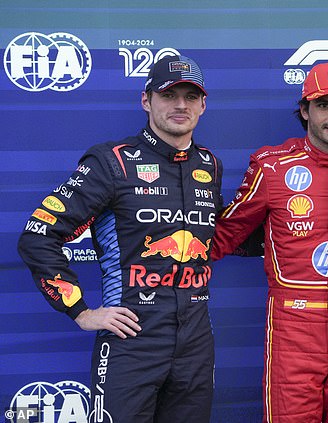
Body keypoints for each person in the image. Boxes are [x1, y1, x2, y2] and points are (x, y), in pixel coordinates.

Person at [17, 55, 222, 423]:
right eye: (169, 95)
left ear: (203, 105)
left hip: (195, 344)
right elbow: (39, 235)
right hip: (132, 340)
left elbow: (220, 237)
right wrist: (80, 311)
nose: (180, 105)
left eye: (191, 96)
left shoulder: (209, 165)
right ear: (146, 100)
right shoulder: (112, 163)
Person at [211, 62, 328, 422]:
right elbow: (226, 233)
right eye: (323, 105)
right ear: (304, 110)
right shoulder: (272, 166)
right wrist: (167, 253)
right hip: (293, 330)